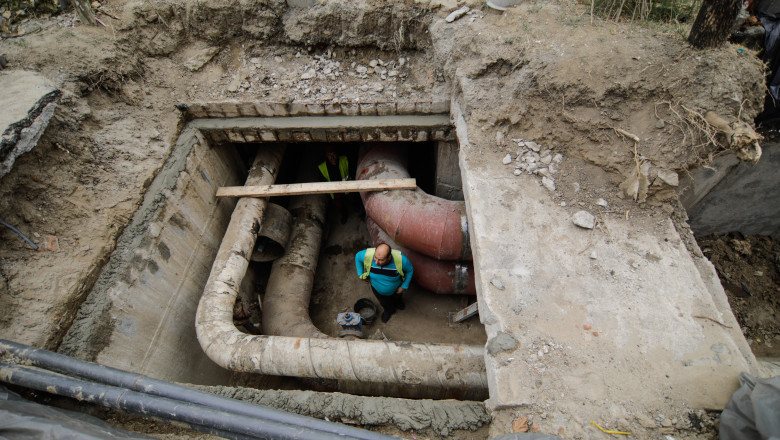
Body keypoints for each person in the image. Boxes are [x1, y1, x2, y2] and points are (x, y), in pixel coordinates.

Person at [355, 243, 414, 323]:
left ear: (389, 258)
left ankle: (398, 302)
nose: (376, 262)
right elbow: (358, 257)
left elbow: (410, 270)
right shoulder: (368, 255)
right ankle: (388, 310)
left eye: (381, 260)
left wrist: (404, 286)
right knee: (384, 302)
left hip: (397, 288)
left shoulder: (401, 260)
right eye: (375, 257)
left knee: (398, 297)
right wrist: (361, 275)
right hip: (378, 290)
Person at [318, 145, 350, 223]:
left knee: (353, 200)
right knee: (339, 205)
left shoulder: (345, 160)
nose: (332, 157)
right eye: (329, 155)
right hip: (335, 191)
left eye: (334, 154)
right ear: (326, 156)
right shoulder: (322, 167)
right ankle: (344, 215)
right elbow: (323, 182)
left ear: (337, 153)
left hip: (348, 186)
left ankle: (359, 210)